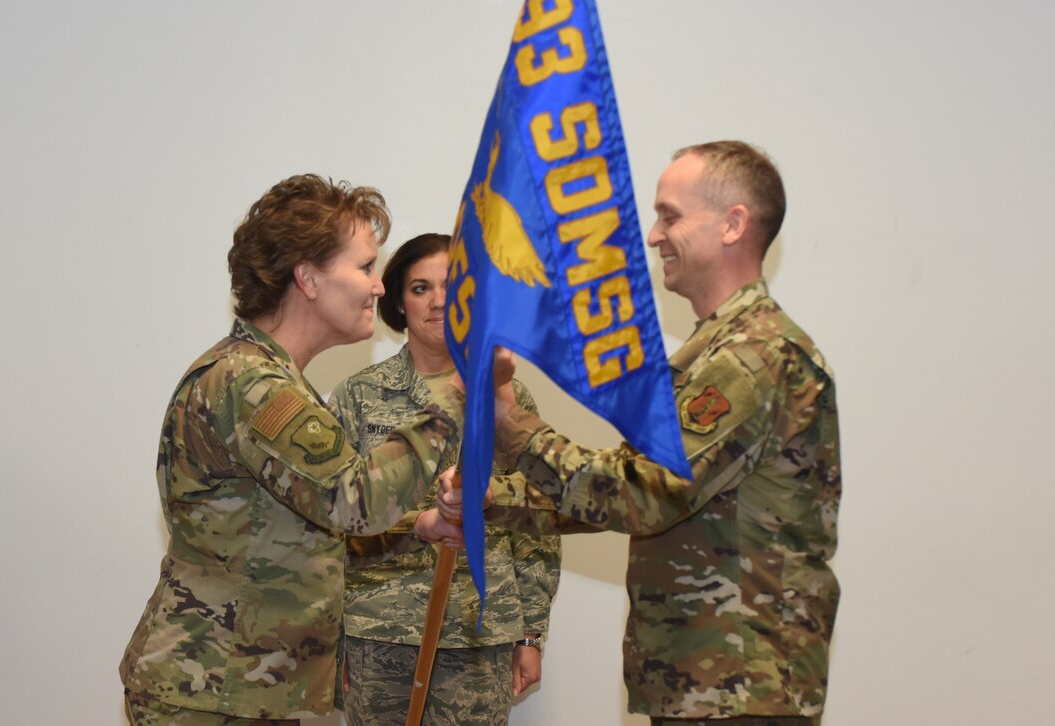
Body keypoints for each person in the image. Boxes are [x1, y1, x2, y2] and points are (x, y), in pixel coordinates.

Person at [442, 141, 841, 725]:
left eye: (670, 216)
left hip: (740, 687)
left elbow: (645, 495)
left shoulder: (757, 355)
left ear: (733, 224)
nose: (653, 236)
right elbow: (626, 490)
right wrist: (492, 503)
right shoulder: (713, 356)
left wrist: (511, 421)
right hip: (707, 683)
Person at [119, 176, 518, 725]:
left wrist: (418, 528)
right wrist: (459, 395)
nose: (379, 289)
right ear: (307, 277)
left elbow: (306, 529)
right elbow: (356, 500)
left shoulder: (270, 379)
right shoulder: (253, 384)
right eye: (364, 267)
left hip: (242, 685)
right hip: (212, 687)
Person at [326, 233, 561, 726]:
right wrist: (332, 636)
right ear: (397, 301)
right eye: (419, 288)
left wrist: (530, 634)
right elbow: (330, 519)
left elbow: (538, 522)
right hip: (378, 628)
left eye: (453, 286)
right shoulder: (357, 395)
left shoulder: (504, 395)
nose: (438, 301)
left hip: (479, 631)